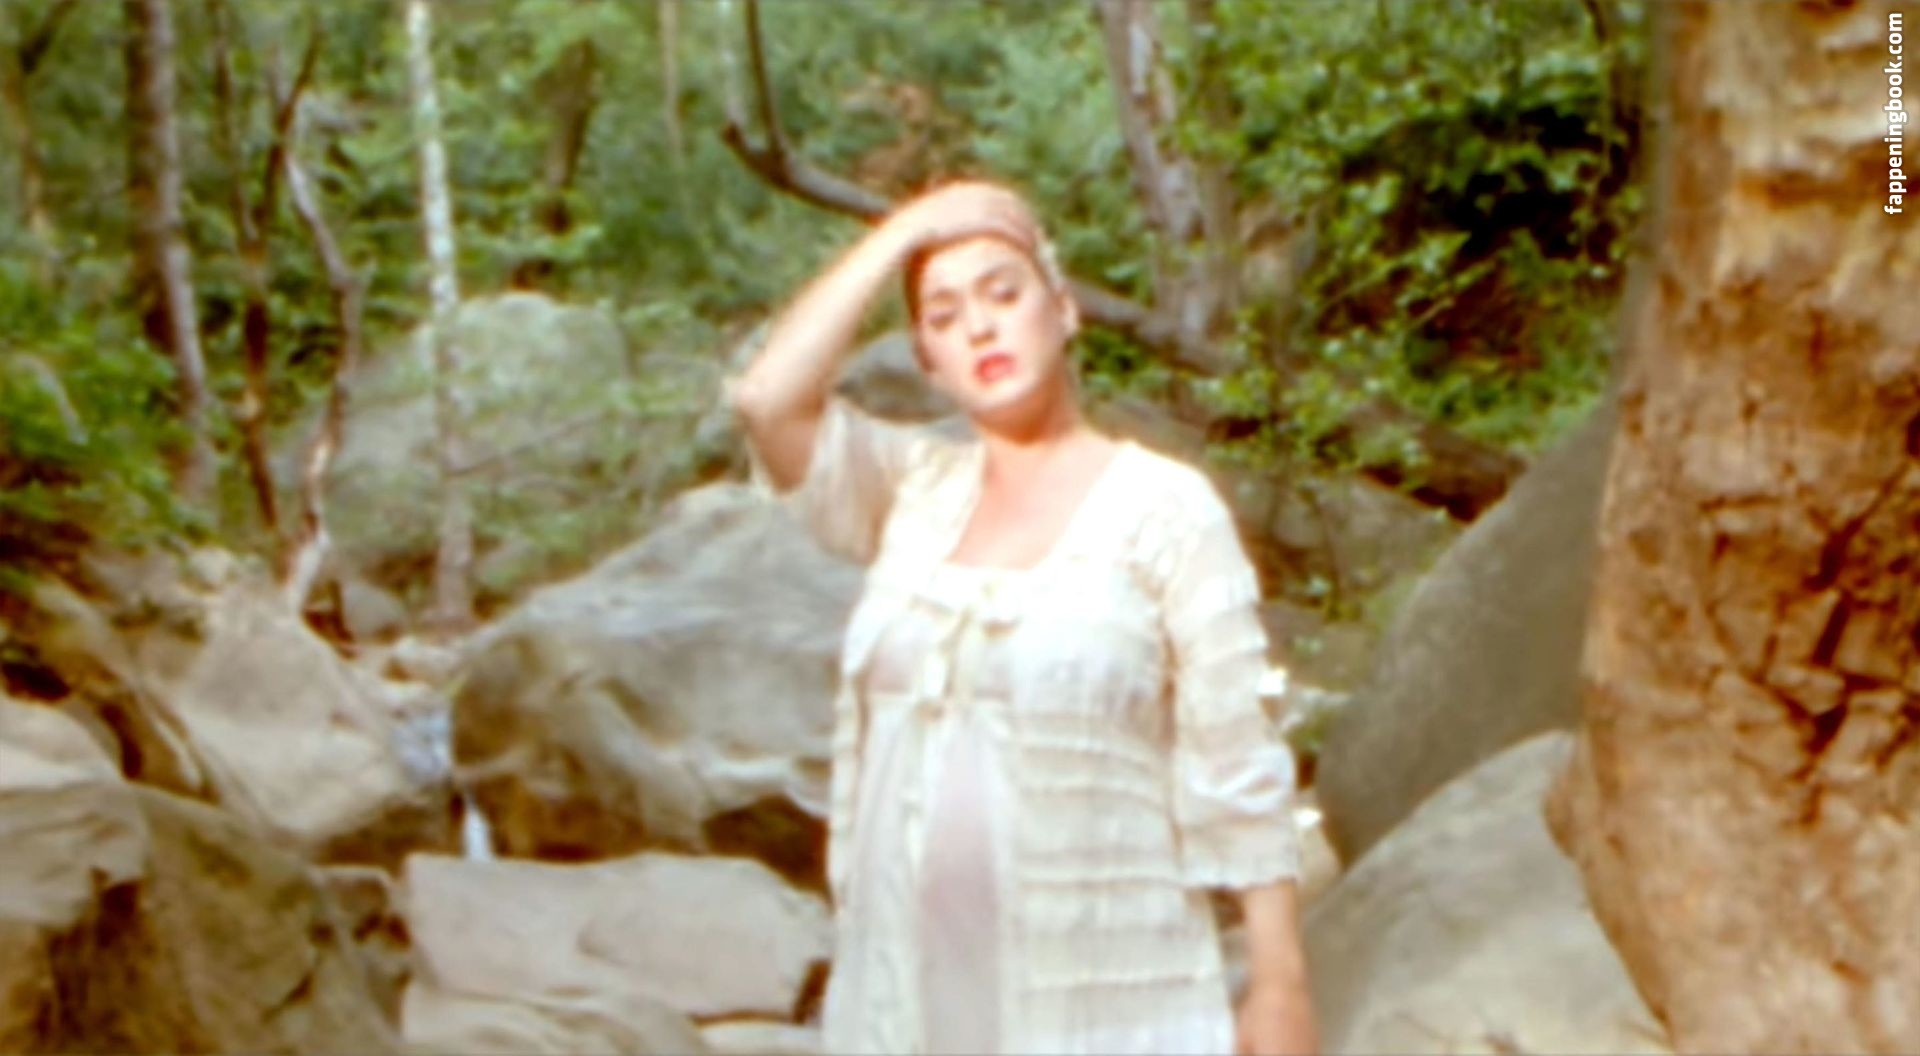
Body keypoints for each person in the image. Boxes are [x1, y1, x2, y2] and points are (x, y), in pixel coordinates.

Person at [731, 180, 1317, 1056]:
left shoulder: (1167, 508)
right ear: (927, 361)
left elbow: (1238, 762)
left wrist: (1279, 986)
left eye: (1003, 293)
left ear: (1064, 310)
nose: (980, 327)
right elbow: (766, 400)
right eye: (944, 316)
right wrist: (904, 230)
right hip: (903, 1007)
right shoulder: (907, 489)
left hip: (1105, 1002)